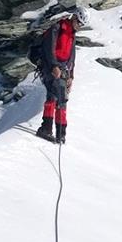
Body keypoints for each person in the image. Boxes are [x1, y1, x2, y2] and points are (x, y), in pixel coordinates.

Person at [31, 11, 77, 144]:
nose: (80, 25)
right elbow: (48, 48)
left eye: (82, 24)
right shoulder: (58, 28)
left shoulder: (72, 34)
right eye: (79, 22)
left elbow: (72, 57)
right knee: (58, 98)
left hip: (63, 69)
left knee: (56, 97)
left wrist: (71, 75)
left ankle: (53, 132)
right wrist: (53, 66)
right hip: (50, 67)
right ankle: (54, 132)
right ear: (74, 17)